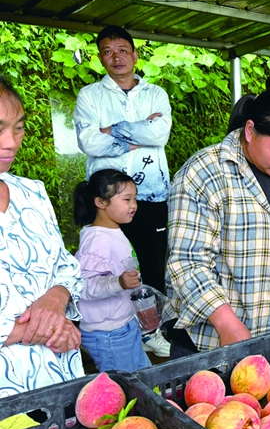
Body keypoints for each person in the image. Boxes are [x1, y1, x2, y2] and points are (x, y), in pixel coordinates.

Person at [166, 88, 270, 356]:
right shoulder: (206, 172)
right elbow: (187, 262)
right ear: (250, 131)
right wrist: (226, 323)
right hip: (220, 343)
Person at [73, 25, 171, 358]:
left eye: (122, 50)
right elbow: (88, 141)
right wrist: (138, 132)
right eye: (107, 51)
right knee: (108, 262)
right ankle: (116, 327)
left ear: (134, 54)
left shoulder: (155, 94)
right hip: (109, 195)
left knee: (152, 264)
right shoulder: (90, 96)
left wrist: (112, 130)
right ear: (100, 58)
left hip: (152, 194)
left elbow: (159, 135)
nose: (116, 58)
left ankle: (152, 331)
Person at [0, 76, 84, 397]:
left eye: (18, 127)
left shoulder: (32, 193)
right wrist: (38, 329)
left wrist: (57, 296)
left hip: (59, 374)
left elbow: (66, 266)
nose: (11, 142)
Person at [73, 169, 152, 372]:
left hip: (122, 327)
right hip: (108, 334)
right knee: (125, 391)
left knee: (144, 382)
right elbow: (83, 286)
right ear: (101, 203)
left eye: (135, 199)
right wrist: (119, 282)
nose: (134, 205)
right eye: (126, 199)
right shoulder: (97, 240)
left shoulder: (112, 231)